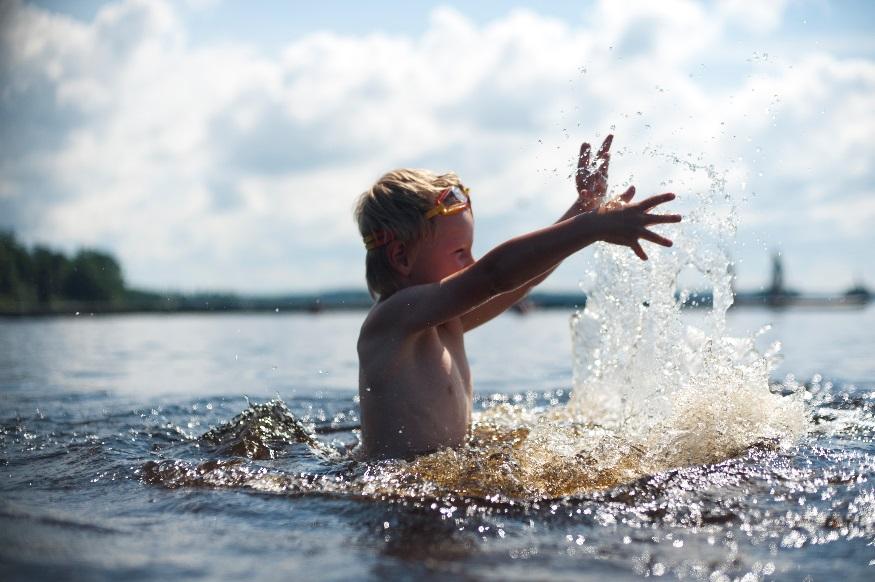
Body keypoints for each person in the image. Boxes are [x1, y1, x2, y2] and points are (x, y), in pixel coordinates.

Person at [353, 136, 681, 460]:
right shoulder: (393, 320)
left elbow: (516, 282)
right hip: (399, 501)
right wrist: (589, 227)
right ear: (401, 257)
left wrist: (582, 210)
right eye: (460, 252)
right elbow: (494, 275)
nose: (471, 262)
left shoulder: (444, 322)